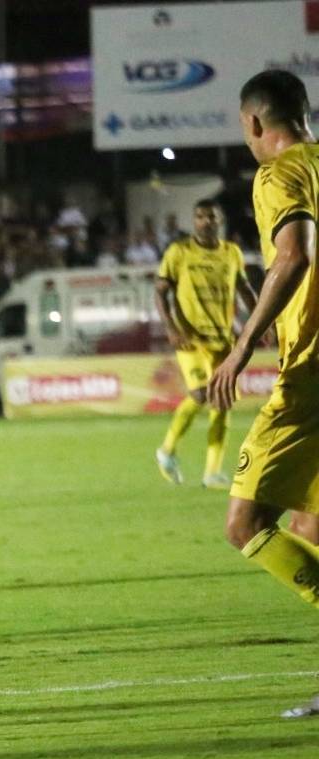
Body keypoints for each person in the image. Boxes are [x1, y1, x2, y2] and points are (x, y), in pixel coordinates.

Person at [206, 70, 319, 718]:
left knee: (246, 523)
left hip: (309, 374)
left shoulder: (279, 175)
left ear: (254, 123)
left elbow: (293, 253)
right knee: (310, 525)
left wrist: (244, 343)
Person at [154, 199, 258, 488]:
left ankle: (212, 473)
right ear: (194, 220)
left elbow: (245, 289)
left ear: (220, 220)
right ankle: (166, 450)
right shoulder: (179, 252)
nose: (205, 221)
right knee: (201, 394)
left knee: (221, 401)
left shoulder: (232, 253)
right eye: (199, 216)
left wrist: (261, 322)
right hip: (191, 339)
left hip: (223, 340)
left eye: (210, 216)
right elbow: (160, 292)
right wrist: (171, 328)